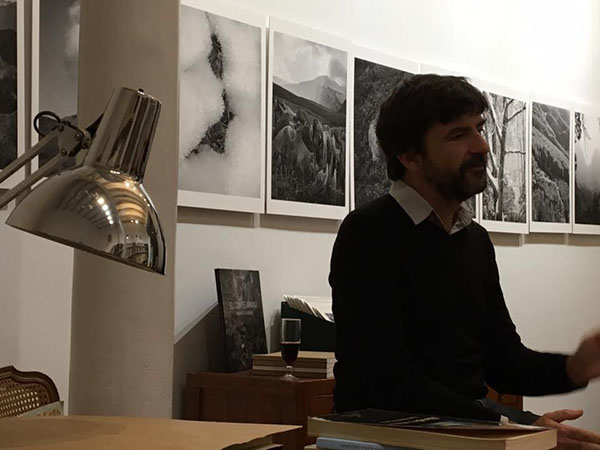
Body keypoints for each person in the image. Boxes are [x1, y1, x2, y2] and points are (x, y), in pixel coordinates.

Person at [329, 74, 600, 448]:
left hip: (466, 430)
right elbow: (389, 382)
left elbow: (502, 360)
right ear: (409, 156)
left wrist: (574, 367)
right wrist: (516, 426)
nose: (483, 145)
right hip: (391, 437)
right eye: (458, 135)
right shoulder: (368, 233)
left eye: (480, 127)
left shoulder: (474, 239)